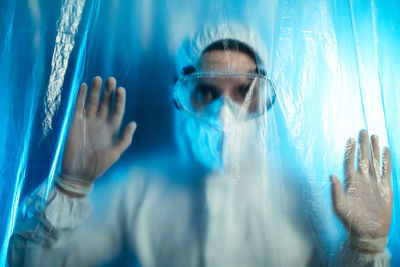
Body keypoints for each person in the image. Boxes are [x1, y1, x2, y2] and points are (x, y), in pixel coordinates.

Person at [8, 23, 393, 266]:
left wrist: (367, 245)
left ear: (266, 103)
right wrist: (70, 187)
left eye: (244, 91)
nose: (225, 112)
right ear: (183, 97)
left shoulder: (306, 197)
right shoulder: (138, 189)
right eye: (207, 91)